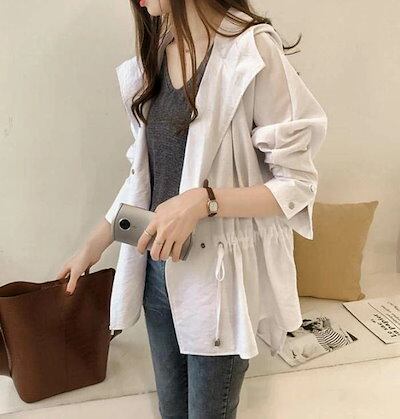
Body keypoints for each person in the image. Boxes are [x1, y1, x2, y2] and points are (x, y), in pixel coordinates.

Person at [56, 1, 328, 417]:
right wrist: (91, 247)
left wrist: (204, 201)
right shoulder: (160, 48)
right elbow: (144, 179)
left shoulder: (252, 50)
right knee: (171, 411)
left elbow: (297, 184)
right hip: (155, 274)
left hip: (217, 283)